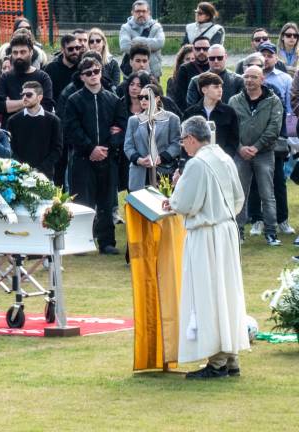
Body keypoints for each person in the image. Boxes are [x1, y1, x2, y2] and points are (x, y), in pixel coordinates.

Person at [164, 116, 249, 379]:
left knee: (207, 293)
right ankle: (230, 356)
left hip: (206, 234)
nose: (183, 146)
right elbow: (238, 197)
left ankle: (217, 361)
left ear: (191, 138)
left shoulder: (197, 163)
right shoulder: (223, 157)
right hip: (226, 229)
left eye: (183, 140)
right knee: (226, 292)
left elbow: (186, 203)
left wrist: (174, 194)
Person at [63, 58, 121, 255]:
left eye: (96, 71)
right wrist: (90, 149)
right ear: (82, 76)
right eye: (88, 73)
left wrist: (106, 148)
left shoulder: (113, 99)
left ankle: (106, 242)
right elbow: (71, 128)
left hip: (107, 158)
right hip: (82, 159)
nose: (93, 75)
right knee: (83, 202)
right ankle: (80, 242)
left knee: (106, 201)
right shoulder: (74, 100)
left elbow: (119, 127)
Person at [229, 66, 283, 245]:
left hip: (264, 154)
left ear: (262, 80)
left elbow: (274, 128)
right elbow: (230, 128)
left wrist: (256, 147)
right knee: (239, 194)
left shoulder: (273, 101)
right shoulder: (234, 101)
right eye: (247, 77)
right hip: (240, 155)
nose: (249, 80)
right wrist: (240, 148)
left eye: (254, 77)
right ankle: (239, 231)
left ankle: (271, 233)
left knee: (267, 194)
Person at [248, 44, 295, 238]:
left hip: (276, 142)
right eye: (261, 57)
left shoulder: (278, 85)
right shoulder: (245, 88)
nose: (265, 60)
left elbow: (283, 114)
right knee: (254, 184)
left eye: (269, 56)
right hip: (251, 144)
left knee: (278, 181)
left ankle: (282, 220)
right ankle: (257, 220)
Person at [123, 84, 181, 191]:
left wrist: (160, 158)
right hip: (139, 173)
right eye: (141, 97)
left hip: (164, 171)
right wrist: (139, 160)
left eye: (147, 97)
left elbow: (176, 144)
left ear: (157, 99)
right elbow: (128, 146)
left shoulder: (172, 119)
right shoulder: (133, 120)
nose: (143, 100)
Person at [0, 32, 54, 127]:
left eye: (23, 52)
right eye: (15, 52)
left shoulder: (43, 78)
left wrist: (10, 105)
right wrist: (32, 101)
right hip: (10, 131)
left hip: (37, 129)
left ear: (31, 53)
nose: (18, 56)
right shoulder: (5, 78)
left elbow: (46, 108)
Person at [7, 81, 61, 179]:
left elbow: (57, 150)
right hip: (19, 174)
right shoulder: (13, 120)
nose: (24, 97)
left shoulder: (53, 121)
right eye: (23, 94)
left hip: (45, 175)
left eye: (29, 95)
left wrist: (40, 169)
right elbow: (11, 148)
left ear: (39, 97)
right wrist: (22, 168)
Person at [183, 72, 240, 159]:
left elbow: (233, 140)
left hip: (221, 159)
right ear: (204, 90)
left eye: (221, 87)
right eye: (216, 87)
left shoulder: (229, 112)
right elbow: (186, 139)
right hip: (197, 159)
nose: (220, 90)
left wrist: (225, 156)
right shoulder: (191, 113)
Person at [119, 0, 165, 79]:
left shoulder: (156, 27)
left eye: (144, 11)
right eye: (138, 11)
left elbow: (159, 43)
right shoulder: (125, 28)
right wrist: (149, 44)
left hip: (153, 73)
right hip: (130, 73)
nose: (141, 14)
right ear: (132, 12)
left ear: (148, 12)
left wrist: (136, 40)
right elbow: (125, 46)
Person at [173, 36, 210, 111]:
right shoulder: (185, 69)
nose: (201, 51)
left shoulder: (214, 66)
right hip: (191, 112)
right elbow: (180, 97)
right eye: (198, 48)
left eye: (205, 48)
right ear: (193, 49)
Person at [44, 34, 83, 105]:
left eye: (77, 48)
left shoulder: (82, 67)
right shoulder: (51, 68)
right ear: (62, 50)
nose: (75, 51)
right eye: (70, 49)